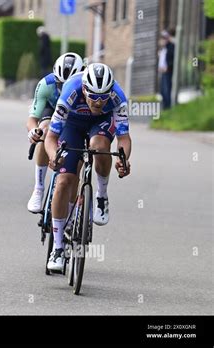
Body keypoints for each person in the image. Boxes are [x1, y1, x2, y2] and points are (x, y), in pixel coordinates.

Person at [44, 63, 132, 271]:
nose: (99, 101)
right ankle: (57, 248)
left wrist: (124, 159)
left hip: (101, 124)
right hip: (72, 124)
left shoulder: (118, 97)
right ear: (84, 89)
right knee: (64, 181)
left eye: (104, 96)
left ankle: (101, 195)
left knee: (99, 146)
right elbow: (51, 137)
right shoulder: (70, 92)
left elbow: (124, 138)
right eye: (93, 96)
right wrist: (52, 156)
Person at [27, 52, 84, 213]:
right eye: (61, 84)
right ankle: (38, 188)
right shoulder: (46, 84)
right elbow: (32, 119)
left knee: (78, 159)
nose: (65, 88)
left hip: (77, 114)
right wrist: (33, 132)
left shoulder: (85, 85)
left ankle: (73, 202)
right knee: (44, 130)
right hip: (53, 110)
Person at [159, 29, 175, 109]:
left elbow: (173, 60)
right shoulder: (163, 48)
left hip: (168, 71)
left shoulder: (171, 47)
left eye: (164, 38)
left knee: (167, 89)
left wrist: (167, 67)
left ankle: (168, 107)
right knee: (162, 90)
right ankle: (165, 107)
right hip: (163, 72)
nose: (163, 40)